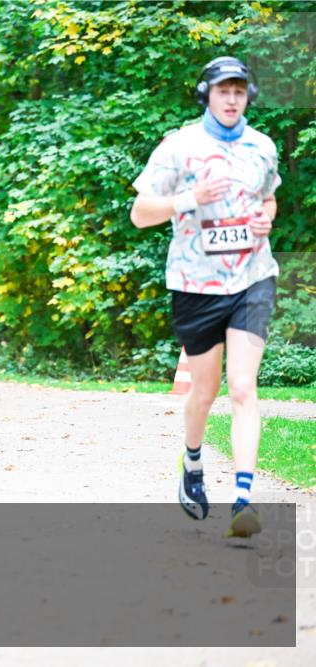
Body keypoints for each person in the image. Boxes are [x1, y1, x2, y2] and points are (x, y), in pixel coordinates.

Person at [130, 56, 280, 538]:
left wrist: (266, 217)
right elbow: (140, 214)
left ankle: (243, 501)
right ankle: (192, 462)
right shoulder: (179, 147)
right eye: (223, 91)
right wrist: (190, 199)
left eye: (239, 91)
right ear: (207, 95)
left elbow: (270, 196)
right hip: (196, 283)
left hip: (253, 276)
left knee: (242, 387)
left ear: (247, 97)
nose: (232, 99)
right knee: (206, 391)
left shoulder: (262, 147)